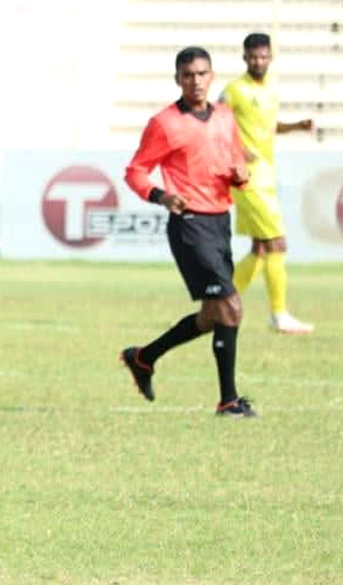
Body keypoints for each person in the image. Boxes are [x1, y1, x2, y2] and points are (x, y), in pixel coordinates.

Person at [121, 46, 258, 418]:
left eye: (201, 74)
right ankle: (229, 401)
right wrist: (162, 196)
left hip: (219, 222)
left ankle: (143, 357)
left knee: (212, 316)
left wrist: (241, 174)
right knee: (231, 306)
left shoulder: (225, 116)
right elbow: (135, 172)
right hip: (190, 226)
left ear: (211, 76)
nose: (195, 81)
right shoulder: (164, 123)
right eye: (188, 75)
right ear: (177, 79)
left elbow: (235, 164)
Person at [222, 33, 315, 334]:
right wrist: (236, 150)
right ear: (244, 57)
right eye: (253, 56)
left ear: (270, 57)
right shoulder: (234, 90)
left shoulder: (271, 88)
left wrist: (297, 126)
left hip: (266, 174)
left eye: (263, 56)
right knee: (277, 242)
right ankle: (279, 315)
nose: (258, 61)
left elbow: (269, 126)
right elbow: (213, 123)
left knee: (261, 248)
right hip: (246, 177)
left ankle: (218, 303)